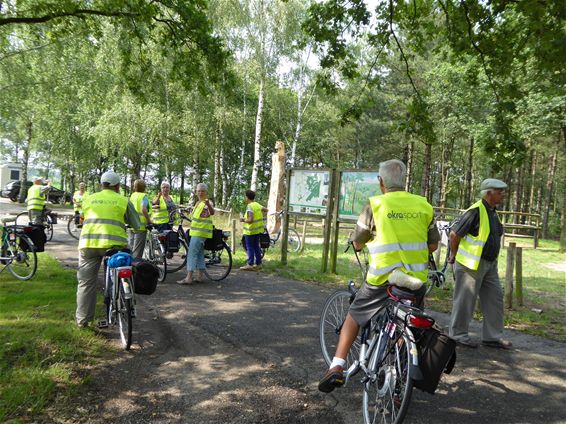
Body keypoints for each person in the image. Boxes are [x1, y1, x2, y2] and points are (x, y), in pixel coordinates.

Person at [318, 159, 440, 393]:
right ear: (404, 182)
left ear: (381, 182)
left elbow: (358, 241)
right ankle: (400, 386)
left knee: (355, 314)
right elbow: (433, 245)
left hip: (383, 279)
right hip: (415, 281)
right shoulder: (424, 205)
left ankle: (337, 366)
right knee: (408, 325)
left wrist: (361, 243)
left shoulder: (375, 205)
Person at [447, 178, 512, 349]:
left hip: (489, 264)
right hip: (470, 264)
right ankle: (458, 335)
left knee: (494, 299)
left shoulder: (492, 211)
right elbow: (454, 235)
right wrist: (453, 256)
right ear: (489, 193)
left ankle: (492, 337)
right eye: (500, 192)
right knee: (465, 300)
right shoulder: (474, 211)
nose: (503, 194)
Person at [75, 171, 141, 328]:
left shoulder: (89, 199)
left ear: (101, 185)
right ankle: (126, 302)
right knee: (125, 266)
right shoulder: (123, 200)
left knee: (86, 282)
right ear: (117, 186)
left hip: (89, 245)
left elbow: (82, 218)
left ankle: (83, 321)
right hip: (115, 245)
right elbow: (137, 224)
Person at [177, 183, 215, 285]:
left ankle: (189, 277)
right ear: (196, 192)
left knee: (191, 253)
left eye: (202, 191)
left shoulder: (207, 202)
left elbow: (211, 212)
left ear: (206, 192)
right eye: (198, 191)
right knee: (199, 254)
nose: (200, 192)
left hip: (201, 232)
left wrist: (208, 205)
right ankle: (200, 276)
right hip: (197, 232)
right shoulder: (198, 203)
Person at [240, 190, 269, 271]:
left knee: (250, 247)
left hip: (250, 231)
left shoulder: (249, 207)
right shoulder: (257, 204)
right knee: (256, 246)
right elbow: (266, 209)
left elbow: (250, 220)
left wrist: (243, 219)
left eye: (245, 196)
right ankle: (259, 263)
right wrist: (261, 215)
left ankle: (250, 264)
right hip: (257, 230)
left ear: (247, 197)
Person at [129, 179, 152, 258]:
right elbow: (143, 209)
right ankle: (135, 268)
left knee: (131, 248)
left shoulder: (133, 195)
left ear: (134, 187)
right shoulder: (143, 196)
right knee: (137, 251)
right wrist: (149, 221)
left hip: (132, 224)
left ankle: (129, 267)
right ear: (144, 187)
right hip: (141, 226)